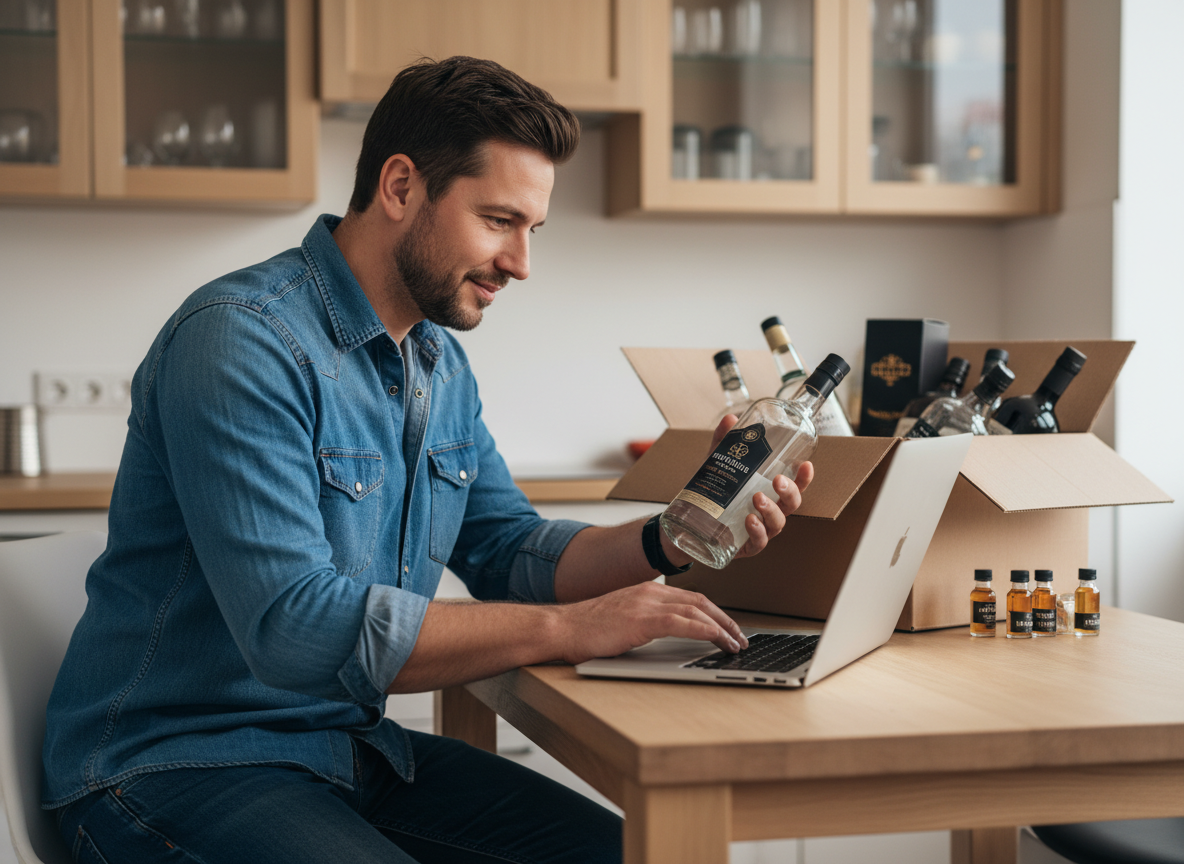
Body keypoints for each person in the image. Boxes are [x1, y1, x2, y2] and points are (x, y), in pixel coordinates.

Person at [42, 57, 814, 864]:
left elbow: (509, 550)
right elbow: (292, 628)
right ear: (402, 186)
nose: (521, 263)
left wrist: (674, 535)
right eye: (498, 221)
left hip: (347, 751)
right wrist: (570, 627)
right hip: (177, 767)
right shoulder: (240, 339)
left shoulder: (437, 365)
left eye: (532, 230)